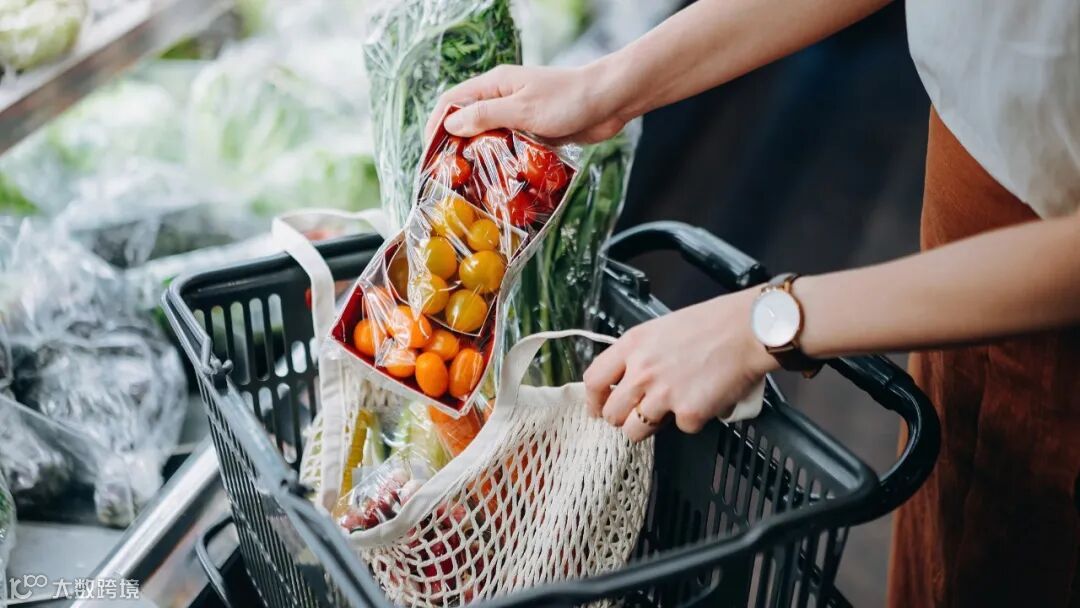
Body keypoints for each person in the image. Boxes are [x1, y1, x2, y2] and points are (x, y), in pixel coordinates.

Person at [426, 0, 1080, 606]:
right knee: (952, 536)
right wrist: (605, 89)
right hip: (974, 168)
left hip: (1047, 286)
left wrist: (764, 323)